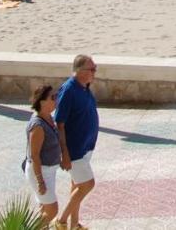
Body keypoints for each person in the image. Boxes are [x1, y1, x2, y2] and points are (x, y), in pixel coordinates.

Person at [54, 54, 100, 230]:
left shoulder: (84, 87)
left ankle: (74, 224)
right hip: (75, 150)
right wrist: (64, 153)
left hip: (86, 147)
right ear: (80, 71)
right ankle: (61, 221)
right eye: (91, 69)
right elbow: (60, 123)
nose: (94, 72)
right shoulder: (69, 90)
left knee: (77, 185)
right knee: (88, 184)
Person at [24, 84, 62, 226]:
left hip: (49, 170)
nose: (56, 99)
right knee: (52, 209)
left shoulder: (50, 119)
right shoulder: (38, 126)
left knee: (44, 208)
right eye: (53, 97)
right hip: (40, 172)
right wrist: (40, 181)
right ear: (42, 101)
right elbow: (34, 155)